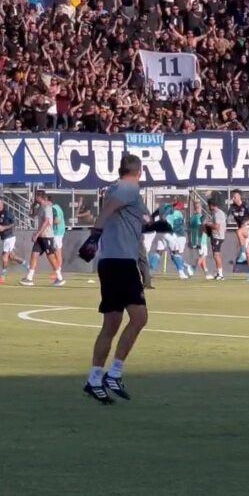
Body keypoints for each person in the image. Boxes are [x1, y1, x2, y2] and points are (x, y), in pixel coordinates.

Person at [77, 153, 170, 404]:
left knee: (112, 324)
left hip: (112, 261)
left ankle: (95, 378)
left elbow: (131, 222)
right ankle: (113, 373)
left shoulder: (121, 189)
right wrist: (94, 237)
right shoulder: (128, 188)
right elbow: (108, 211)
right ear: (140, 172)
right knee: (139, 318)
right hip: (121, 262)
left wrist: (154, 226)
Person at [20, 190, 64, 287]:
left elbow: (47, 222)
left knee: (51, 256)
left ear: (40, 197)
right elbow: (31, 215)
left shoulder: (47, 208)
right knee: (34, 255)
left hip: (47, 236)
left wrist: (37, 233)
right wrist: (33, 205)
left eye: (36, 197)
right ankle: (29, 278)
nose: (35, 198)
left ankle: (60, 277)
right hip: (41, 237)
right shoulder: (40, 207)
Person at [0, 196, 27, 283]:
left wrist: (4, 227)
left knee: (4, 256)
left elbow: (15, 223)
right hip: (4, 238)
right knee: (12, 257)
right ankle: (27, 266)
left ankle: (2, 277)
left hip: (10, 237)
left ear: (1, 203)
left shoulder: (7, 213)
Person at [230, 189, 249, 282]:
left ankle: (242, 253)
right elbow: (226, 217)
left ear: (239, 197)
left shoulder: (246, 205)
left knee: (239, 232)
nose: (233, 198)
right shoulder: (232, 207)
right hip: (244, 231)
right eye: (232, 197)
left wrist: (247, 222)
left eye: (235, 196)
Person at [202, 196, 226, 280]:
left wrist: (208, 224)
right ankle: (219, 273)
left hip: (218, 236)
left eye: (209, 205)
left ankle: (221, 274)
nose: (208, 207)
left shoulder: (218, 214)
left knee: (216, 255)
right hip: (215, 236)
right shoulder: (215, 214)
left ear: (212, 205)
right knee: (216, 254)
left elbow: (217, 226)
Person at [51, 198, 66, 277]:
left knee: (57, 251)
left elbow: (58, 220)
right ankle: (57, 270)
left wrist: (48, 222)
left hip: (57, 232)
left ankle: (58, 271)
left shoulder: (54, 208)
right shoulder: (57, 207)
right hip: (58, 231)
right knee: (56, 251)